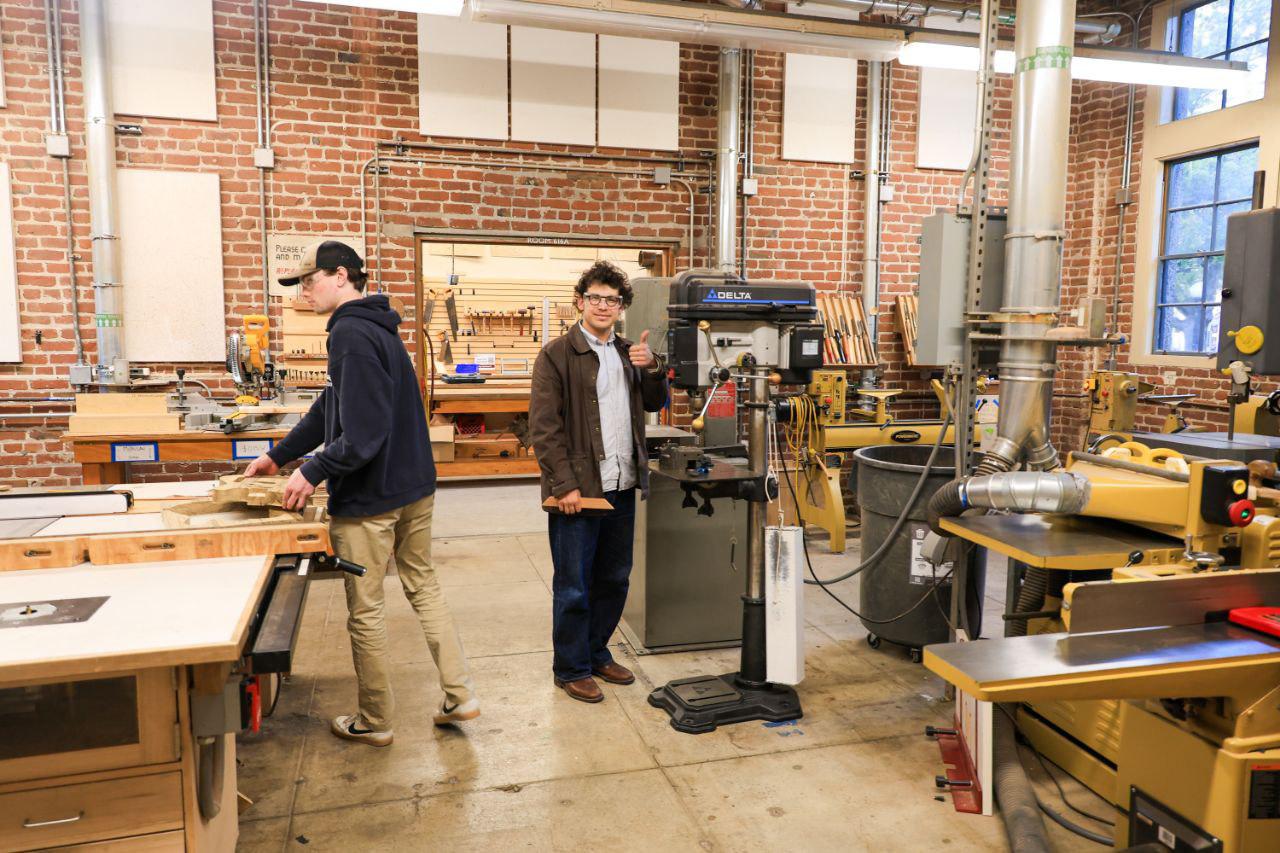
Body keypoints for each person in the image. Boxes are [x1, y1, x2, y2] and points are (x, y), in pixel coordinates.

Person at [244, 239, 477, 747]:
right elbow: (330, 406)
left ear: (341, 276)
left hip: (374, 497)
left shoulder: (349, 333)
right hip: (414, 485)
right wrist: (280, 455)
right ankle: (460, 694)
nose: (303, 292)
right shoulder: (378, 326)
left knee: (366, 610)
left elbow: (364, 434)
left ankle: (375, 720)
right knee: (424, 586)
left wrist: (312, 471)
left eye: (310, 281)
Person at [529, 260, 668, 703]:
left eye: (612, 299)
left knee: (614, 578)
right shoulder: (556, 354)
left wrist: (653, 368)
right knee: (574, 583)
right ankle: (571, 667)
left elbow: (655, 402)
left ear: (621, 306)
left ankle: (596, 652)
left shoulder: (630, 353)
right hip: (580, 489)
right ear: (580, 302)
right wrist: (564, 484)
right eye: (595, 298)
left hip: (622, 483)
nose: (603, 306)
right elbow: (544, 427)